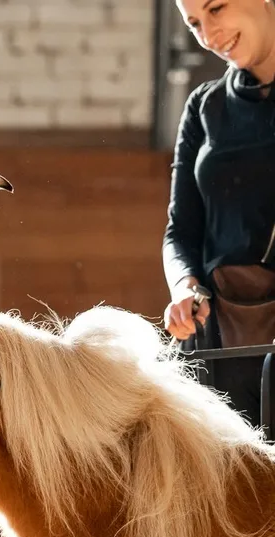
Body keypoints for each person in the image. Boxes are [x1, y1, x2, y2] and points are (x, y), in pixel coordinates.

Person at [164, 0, 275, 429]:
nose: (209, 36)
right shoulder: (203, 106)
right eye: (194, 23)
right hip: (215, 338)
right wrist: (183, 285)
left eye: (217, 8)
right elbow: (180, 230)